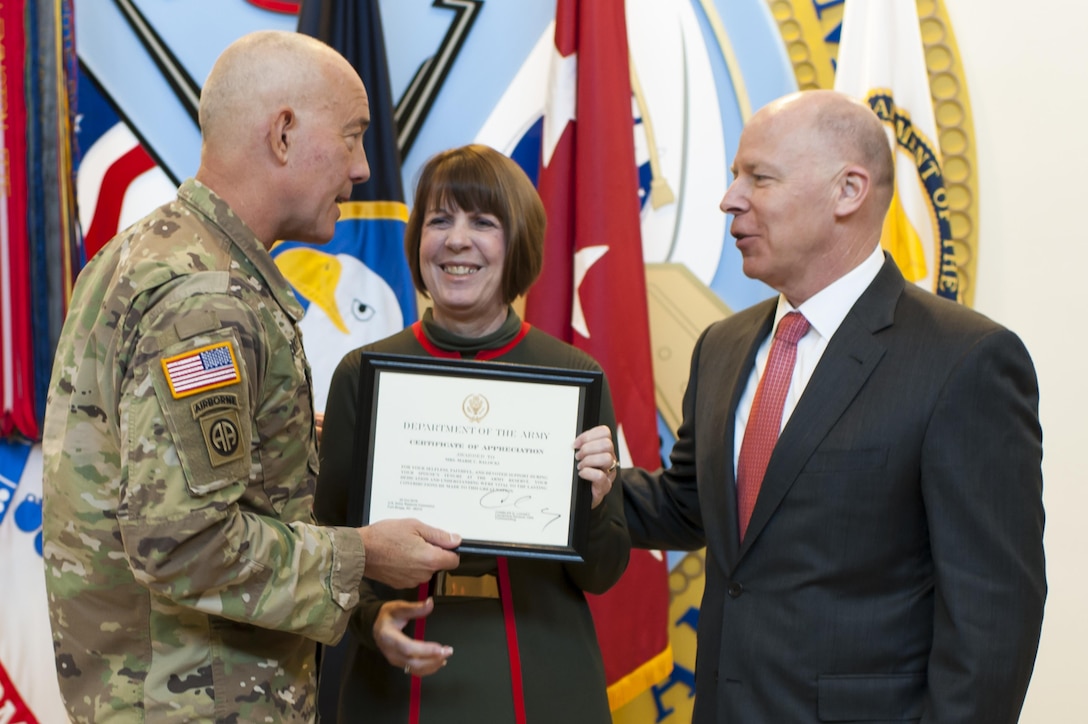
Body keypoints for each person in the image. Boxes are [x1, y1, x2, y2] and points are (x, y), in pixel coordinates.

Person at [40, 30, 462, 723]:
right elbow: (185, 542)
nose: (362, 169)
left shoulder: (152, 253)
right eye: (353, 136)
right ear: (285, 134)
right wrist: (362, 556)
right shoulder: (205, 296)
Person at [620, 89, 1046, 722]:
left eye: (758, 177)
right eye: (735, 176)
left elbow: (992, 616)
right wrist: (568, 481)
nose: (729, 199)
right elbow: (692, 504)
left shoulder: (966, 360)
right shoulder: (723, 346)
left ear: (849, 191)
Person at [315, 143, 628, 723]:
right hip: (397, 684)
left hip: (542, 682)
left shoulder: (575, 379)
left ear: (519, 245)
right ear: (417, 243)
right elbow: (328, 547)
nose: (457, 240)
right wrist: (371, 620)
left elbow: (603, 572)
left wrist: (598, 500)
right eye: (439, 220)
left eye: (482, 222)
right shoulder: (363, 375)